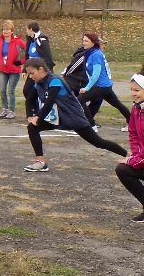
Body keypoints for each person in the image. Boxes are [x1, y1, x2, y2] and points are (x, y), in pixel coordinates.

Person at [23, 57, 127, 173]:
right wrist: (29, 115)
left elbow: (49, 103)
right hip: (57, 118)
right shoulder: (39, 83)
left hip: (73, 117)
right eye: (29, 74)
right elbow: (29, 100)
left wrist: (38, 117)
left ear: (41, 69)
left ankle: (128, 155)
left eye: (32, 73)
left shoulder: (55, 81)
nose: (31, 77)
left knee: (98, 142)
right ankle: (40, 162)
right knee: (32, 127)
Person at [78, 32, 131, 125]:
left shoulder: (96, 54)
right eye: (83, 40)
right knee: (118, 105)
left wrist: (87, 88)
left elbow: (96, 74)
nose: (83, 43)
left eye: (86, 41)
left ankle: (91, 125)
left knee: (80, 100)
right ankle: (132, 123)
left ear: (93, 43)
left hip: (101, 86)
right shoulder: (90, 53)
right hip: (105, 86)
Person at [115, 70, 144, 222]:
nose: (133, 94)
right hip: (142, 158)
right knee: (123, 170)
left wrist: (134, 161)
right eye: (132, 90)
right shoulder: (136, 109)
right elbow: (133, 134)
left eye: (137, 90)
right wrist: (135, 156)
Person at [0, 20, 25, 119]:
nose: (5, 31)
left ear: (12, 31)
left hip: (14, 70)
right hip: (3, 69)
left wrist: (20, 62)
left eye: (7, 30)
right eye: (4, 30)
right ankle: (4, 108)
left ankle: (12, 110)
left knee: (11, 90)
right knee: (2, 90)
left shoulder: (18, 41)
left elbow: (27, 52)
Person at [23, 22, 55, 117]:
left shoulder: (42, 39)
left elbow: (47, 56)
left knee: (41, 92)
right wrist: (25, 69)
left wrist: (46, 71)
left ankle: (43, 112)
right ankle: (35, 109)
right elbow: (28, 56)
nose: (26, 31)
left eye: (27, 29)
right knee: (27, 90)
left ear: (31, 29)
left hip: (40, 71)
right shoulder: (30, 40)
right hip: (32, 71)